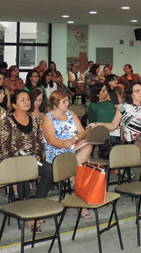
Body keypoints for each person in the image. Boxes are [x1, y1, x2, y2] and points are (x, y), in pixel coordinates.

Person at [89, 82, 141, 203]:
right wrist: (98, 124)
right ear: (131, 94)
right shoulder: (123, 107)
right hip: (132, 144)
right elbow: (113, 125)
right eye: (137, 91)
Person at [0, 89, 53, 232]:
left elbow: (40, 142)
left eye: (28, 99)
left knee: (50, 171)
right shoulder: (7, 121)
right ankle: (29, 216)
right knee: (25, 171)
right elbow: (6, 145)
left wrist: (38, 154)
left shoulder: (34, 120)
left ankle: (35, 205)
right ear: (15, 105)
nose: (27, 102)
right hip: (13, 160)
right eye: (22, 100)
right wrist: (24, 159)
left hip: (32, 159)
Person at [42, 90, 93, 218]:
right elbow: (51, 140)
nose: (68, 103)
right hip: (57, 152)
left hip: (73, 149)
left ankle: (71, 173)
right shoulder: (48, 117)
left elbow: (82, 132)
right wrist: (71, 145)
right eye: (64, 101)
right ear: (55, 103)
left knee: (88, 146)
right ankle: (82, 206)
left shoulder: (71, 114)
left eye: (67, 100)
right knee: (83, 168)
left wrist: (73, 140)